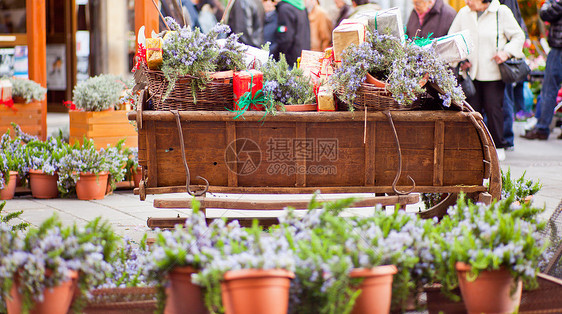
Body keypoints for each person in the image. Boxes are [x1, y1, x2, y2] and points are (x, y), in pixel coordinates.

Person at [448, 0, 525, 161]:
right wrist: (461, 60)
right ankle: (474, 146)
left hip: (493, 73)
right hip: (471, 73)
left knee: (494, 109)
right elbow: (452, 39)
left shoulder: (501, 12)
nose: (467, 2)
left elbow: (518, 36)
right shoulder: (464, 13)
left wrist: (506, 52)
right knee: (472, 112)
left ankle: (498, 145)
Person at [521, 0, 562, 140]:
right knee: (549, 90)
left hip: (559, 47)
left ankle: (542, 129)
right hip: (558, 46)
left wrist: (547, 5)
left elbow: (546, 13)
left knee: (549, 90)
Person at [500, 0, 530, 150]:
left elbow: (513, 21)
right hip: (505, 54)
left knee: (505, 96)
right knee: (507, 95)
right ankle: (506, 138)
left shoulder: (504, 5)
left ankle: (506, 138)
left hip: (504, 54)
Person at [273, 0, 311, 67]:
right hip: (301, 57)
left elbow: (285, 38)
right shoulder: (301, 7)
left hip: (289, 61)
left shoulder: (285, 9)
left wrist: (276, 57)